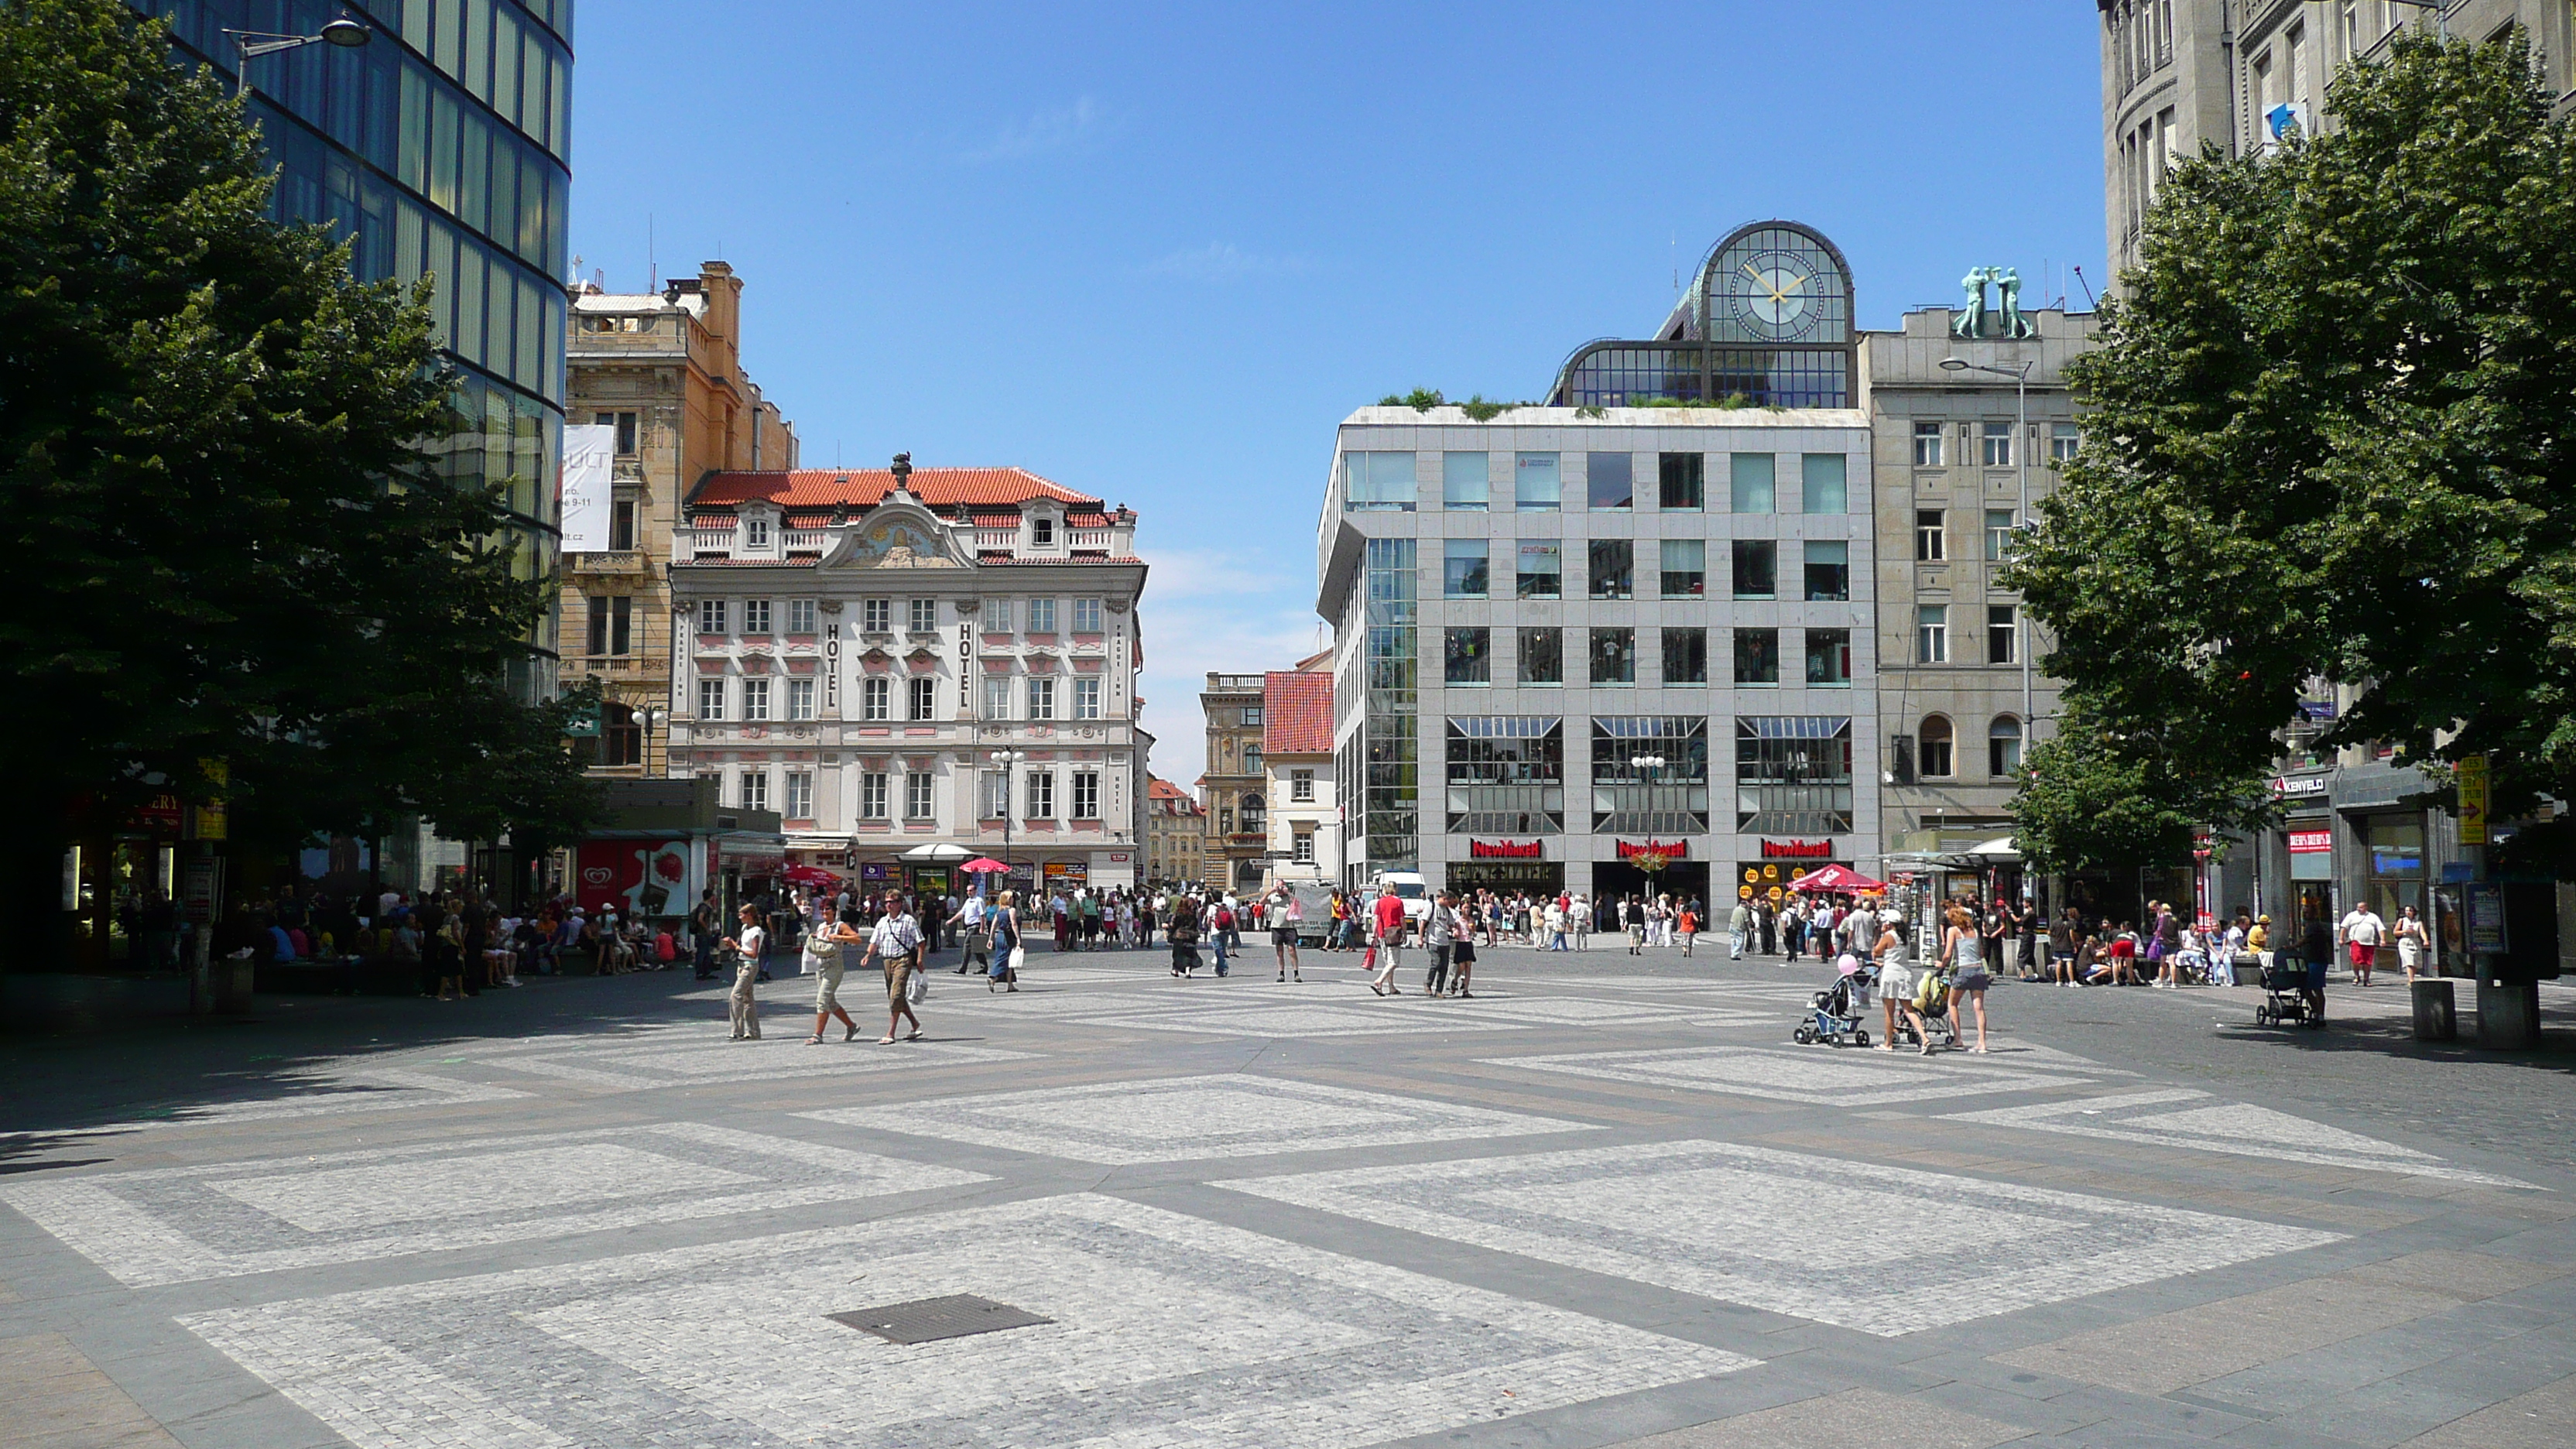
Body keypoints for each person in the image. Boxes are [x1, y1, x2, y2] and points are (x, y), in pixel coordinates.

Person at [859, 894, 926, 1043]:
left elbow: (920, 941)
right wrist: (868, 955)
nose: (889, 905)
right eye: (887, 902)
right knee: (896, 996)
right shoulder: (883, 922)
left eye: (893, 902)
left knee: (895, 995)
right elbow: (874, 941)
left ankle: (891, 1033)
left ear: (900, 903)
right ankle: (914, 1023)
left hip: (903, 959)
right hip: (887, 961)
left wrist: (920, 959)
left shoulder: (908, 921)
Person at [804, 910, 864, 1044]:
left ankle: (818, 1035)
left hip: (834, 966)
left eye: (827, 909)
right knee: (830, 1002)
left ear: (834, 911)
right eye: (822, 910)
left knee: (822, 1001)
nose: (824, 912)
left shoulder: (840, 926)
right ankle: (851, 1026)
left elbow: (857, 939)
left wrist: (839, 937)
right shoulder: (821, 926)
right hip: (821, 966)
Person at [1944, 903, 1992, 1053]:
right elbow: (1981, 953)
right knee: (1979, 1007)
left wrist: (1941, 965)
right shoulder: (1976, 932)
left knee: (1952, 1003)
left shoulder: (1953, 931)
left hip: (1963, 971)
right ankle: (1982, 1043)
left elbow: (1948, 953)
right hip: (1978, 970)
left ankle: (1958, 1039)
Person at [1872, 916, 1919, 1050]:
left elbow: (1877, 951)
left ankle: (1888, 1043)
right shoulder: (1905, 937)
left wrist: (1882, 933)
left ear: (1888, 923)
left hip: (1891, 974)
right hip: (1905, 973)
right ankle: (1924, 1037)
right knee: (1909, 1010)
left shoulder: (1888, 936)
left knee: (1889, 1012)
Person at [720, 904, 765, 1040]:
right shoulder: (745, 928)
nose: (739, 917)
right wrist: (732, 945)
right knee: (747, 1000)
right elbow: (741, 946)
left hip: (749, 966)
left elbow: (754, 954)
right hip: (741, 964)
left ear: (749, 915)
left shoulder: (756, 931)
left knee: (735, 995)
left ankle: (737, 1031)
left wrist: (737, 946)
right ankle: (754, 1032)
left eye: (742, 914)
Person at [1368, 884, 1406, 995]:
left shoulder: (1380, 902)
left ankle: (1391, 987)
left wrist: (1373, 935)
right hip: (1394, 933)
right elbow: (1402, 919)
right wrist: (1405, 933)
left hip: (1382, 933)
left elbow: (1376, 920)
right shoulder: (1398, 901)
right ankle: (1379, 981)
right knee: (1393, 962)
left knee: (1388, 962)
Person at [2338, 899, 2386, 986]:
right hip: (2356, 941)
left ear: (2366, 908)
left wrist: (2382, 939)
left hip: (2369, 943)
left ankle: (2366, 979)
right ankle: (2356, 976)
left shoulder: (2373, 917)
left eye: (2361, 907)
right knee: (2356, 959)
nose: (2358, 909)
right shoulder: (2351, 916)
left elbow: (2380, 928)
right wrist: (2341, 938)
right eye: (2358, 907)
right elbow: (2344, 927)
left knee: (2367, 962)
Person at [985, 889, 1022, 992]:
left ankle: (1010, 985)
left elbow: (993, 925)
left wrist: (991, 939)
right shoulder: (1011, 910)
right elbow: (1014, 924)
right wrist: (1018, 938)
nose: (1013, 899)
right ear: (1009, 899)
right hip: (1008, 937)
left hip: (1000, 936)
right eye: (1012, 898)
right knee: (1005, 959)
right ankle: (993, 977)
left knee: (1008, 960)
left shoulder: (999, 911)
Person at [1266, 886, 1302, 983]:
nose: (1280, 889)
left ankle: (1296, 973)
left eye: (1282, 886)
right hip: (1277, 927)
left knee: (1292, 950)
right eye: (1278, 887)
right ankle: (1281, 974)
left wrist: (1289, 893)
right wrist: (1270, 891)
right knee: (1279, 951)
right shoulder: (1273, 897)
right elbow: (1262, 902)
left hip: (1290, 926)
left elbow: (1297, 904)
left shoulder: (1290, 897)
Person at [1423, 890, 1457, 995]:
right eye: (1449, 902)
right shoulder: (1431, 907)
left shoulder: (1447, 910)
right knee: (1436, 962)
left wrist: (1454, 930)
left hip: (1445, 942)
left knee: (1444, 967)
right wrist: (1420, 939)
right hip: (1433, 940)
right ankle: (1428, 984)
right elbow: (1423, 923)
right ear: (1444, 899)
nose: (1450, 905)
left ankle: (1439, 990)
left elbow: (1451, 924)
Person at [1166, 892, 1201, 977]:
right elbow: (1196, 925)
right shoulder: (1192, 914)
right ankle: (1187, 971)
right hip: (1190, 936)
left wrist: (1169, 932)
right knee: (1189, 954)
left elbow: (1173, 925)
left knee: (1178, 954)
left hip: (1179, 936)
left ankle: (1175, 970)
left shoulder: (1178, 914)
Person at [2395, 903, 2430, 983]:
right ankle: (2411, 980)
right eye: (2406, 910)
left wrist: (2425, 940)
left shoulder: (2418, 922)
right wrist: (2405, 931)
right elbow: (2395, 932)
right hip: (2405, 942)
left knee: (2415, 962)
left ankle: (2412, 977)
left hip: (2415, 942)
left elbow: (2422, 932)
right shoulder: (2402, 920)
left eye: (2410, 910)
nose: (2408, 912)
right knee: (2409, 961)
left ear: (2414, 912)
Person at [1728, 897, 1750, 961]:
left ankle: (1733, 953)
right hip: (1739, 927)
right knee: (1740, 942)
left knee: (1733, 941)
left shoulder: (1736, 909)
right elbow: (1747, 920)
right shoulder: (1744, 910)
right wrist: (1749, 925)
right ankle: (1734, 955)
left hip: (1732, 926)